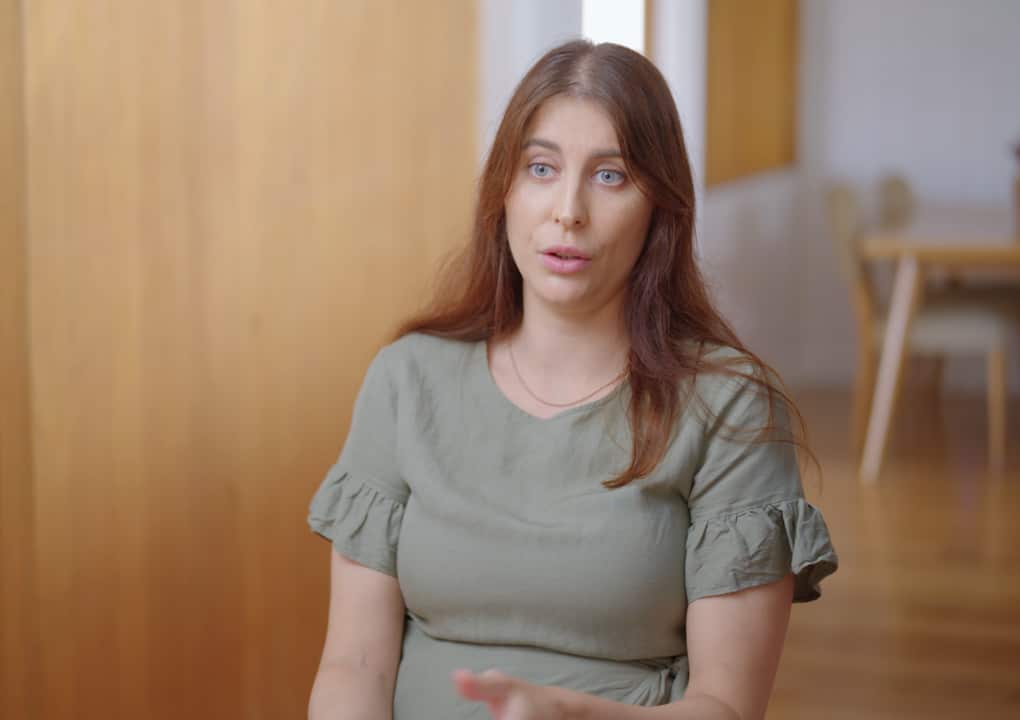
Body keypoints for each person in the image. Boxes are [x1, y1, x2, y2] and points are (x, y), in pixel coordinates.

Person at [306, 40, 837, 720]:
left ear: (661, 208)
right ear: (504, 189)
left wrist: (574, 715)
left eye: (610, 175)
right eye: (541, 167)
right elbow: (355, 664)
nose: (568, 209)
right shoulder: (407, 378)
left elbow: (725, 707)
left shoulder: (730, 406)